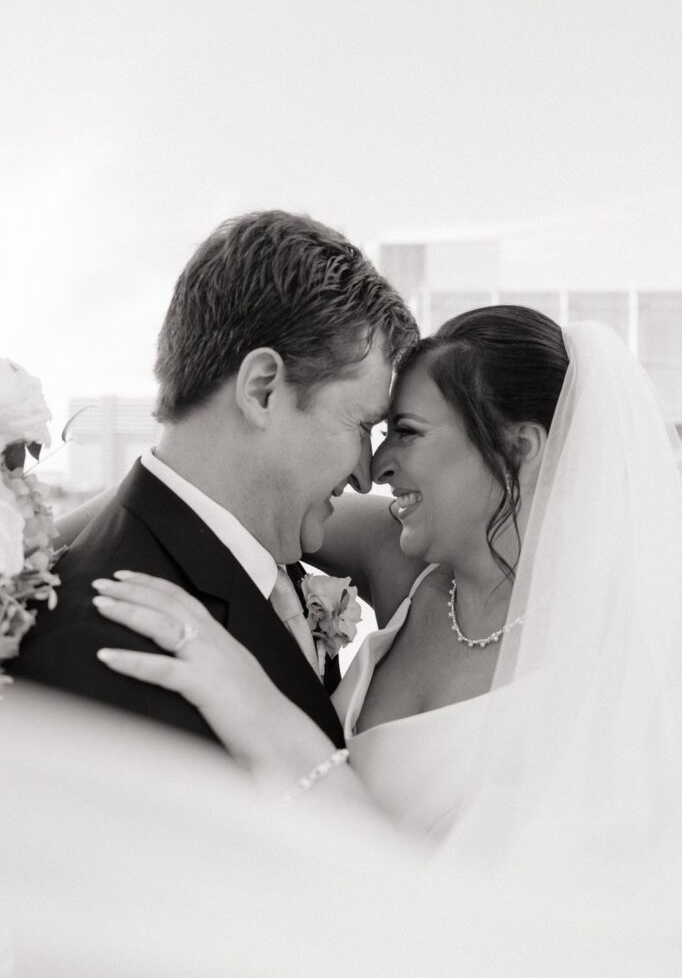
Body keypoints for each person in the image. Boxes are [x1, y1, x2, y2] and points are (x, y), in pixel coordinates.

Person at [86, 306, 682, 858]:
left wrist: (266, 715)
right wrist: (23, 540)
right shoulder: (403, 559)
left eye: (408, 431)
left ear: (518, 446)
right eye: (376, 430)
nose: (375, 469)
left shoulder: (615, 665)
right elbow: (197, 490)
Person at [12, 210, 418, 744]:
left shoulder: (271, 558)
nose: (367, 478)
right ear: (262, 390)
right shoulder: (103, 648)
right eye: (361, 426)